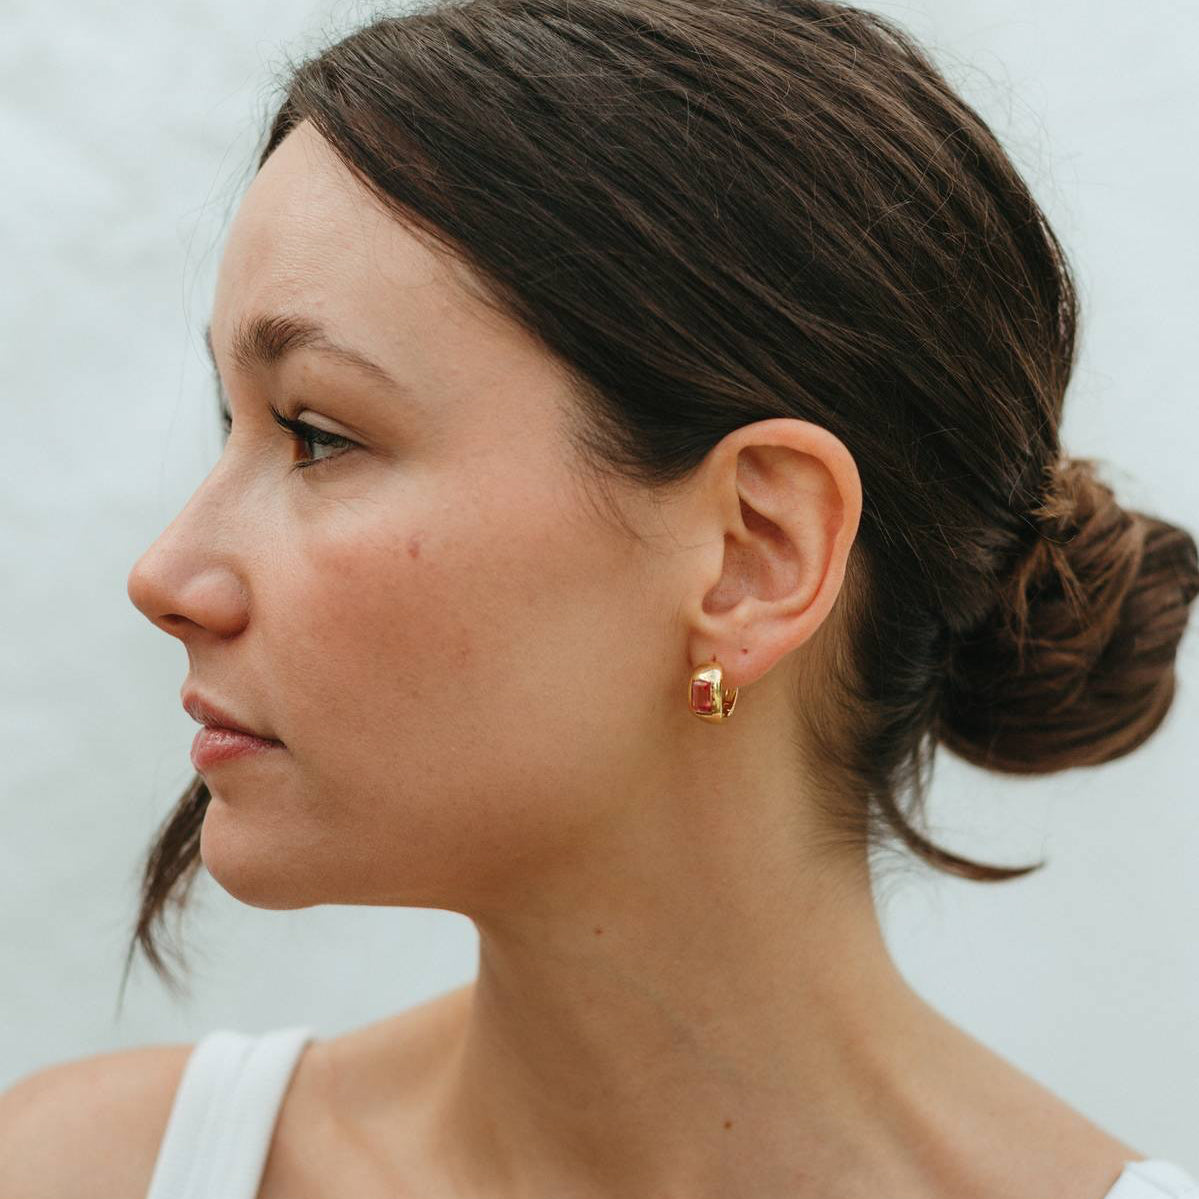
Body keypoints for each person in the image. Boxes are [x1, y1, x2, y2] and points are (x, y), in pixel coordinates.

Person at [4, 1, 1198, 1196]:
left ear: (751, 553)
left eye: (316, 434)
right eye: (233, 422)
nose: (165, 576)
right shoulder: (81, 1170)